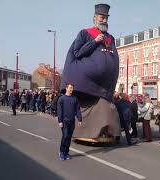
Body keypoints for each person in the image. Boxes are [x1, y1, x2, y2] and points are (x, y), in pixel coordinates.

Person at [59, 3, 121, 141]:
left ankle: (105, 132)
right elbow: (77, 53)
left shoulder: (110, 38)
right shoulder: (85, 33)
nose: (104, 20)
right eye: (101, 17)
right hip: (88, 83)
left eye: (106, 18)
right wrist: (94, 42)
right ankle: (80, 133)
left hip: (104, 85)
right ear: (94, 18)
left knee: (107, 109)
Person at [57, 83, 82, 160]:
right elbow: (60, 111)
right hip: (64, 121)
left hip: (72, 121)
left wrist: (79, 119)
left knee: (69, 138)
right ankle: (61, 152)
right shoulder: (61, 99)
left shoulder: (75, 99)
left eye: (72, 88)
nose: (71, 89)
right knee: (65, 136)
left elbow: (77, 109)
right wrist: (60, 121)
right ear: (66, 88)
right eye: (70, 88)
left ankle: (66, 152)